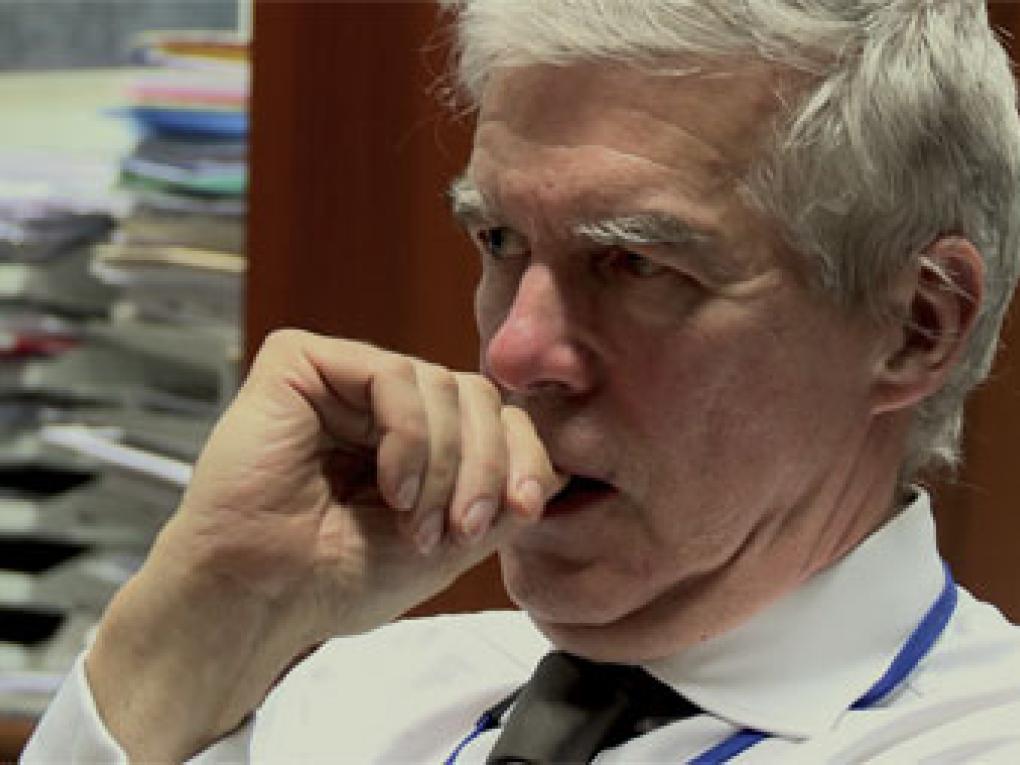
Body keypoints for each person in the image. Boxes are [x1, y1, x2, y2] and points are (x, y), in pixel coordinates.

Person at [23, 1, 1020, 762]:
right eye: (499, 240)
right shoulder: (356, 700)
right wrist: (208, 618)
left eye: (635, 263)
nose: (513, 351)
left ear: (916, 327)